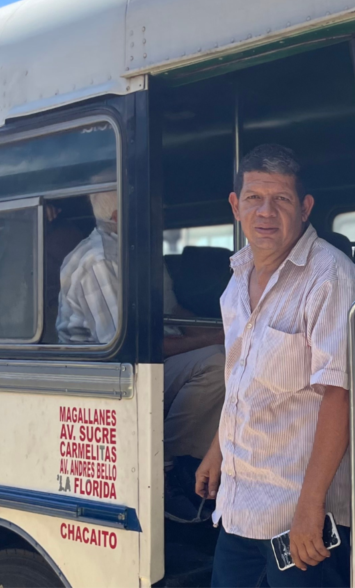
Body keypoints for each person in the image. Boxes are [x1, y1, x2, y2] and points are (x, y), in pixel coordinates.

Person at [195, 144, 355, 588]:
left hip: (300, 519)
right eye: (253, 198)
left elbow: (340, 395)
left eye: (282, 199)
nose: (265, 211)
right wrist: (217, 449)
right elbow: (241, 381)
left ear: (305, 208)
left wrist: (310, 508)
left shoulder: (330, 277)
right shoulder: (237, 279)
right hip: (239, 507)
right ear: (236, 206)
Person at [56, 190, 227, 521]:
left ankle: (190, 465)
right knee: (216, 363)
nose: (160, 207)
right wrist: (216, 338)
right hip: (112, 381)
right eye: (150, 202)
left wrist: (225, 329)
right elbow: (133, 348)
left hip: (154, 364)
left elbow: (173, 310)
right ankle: (165, 470)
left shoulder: (139, 251)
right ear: (120, 214)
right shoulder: (99, 259)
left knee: (226, 357)